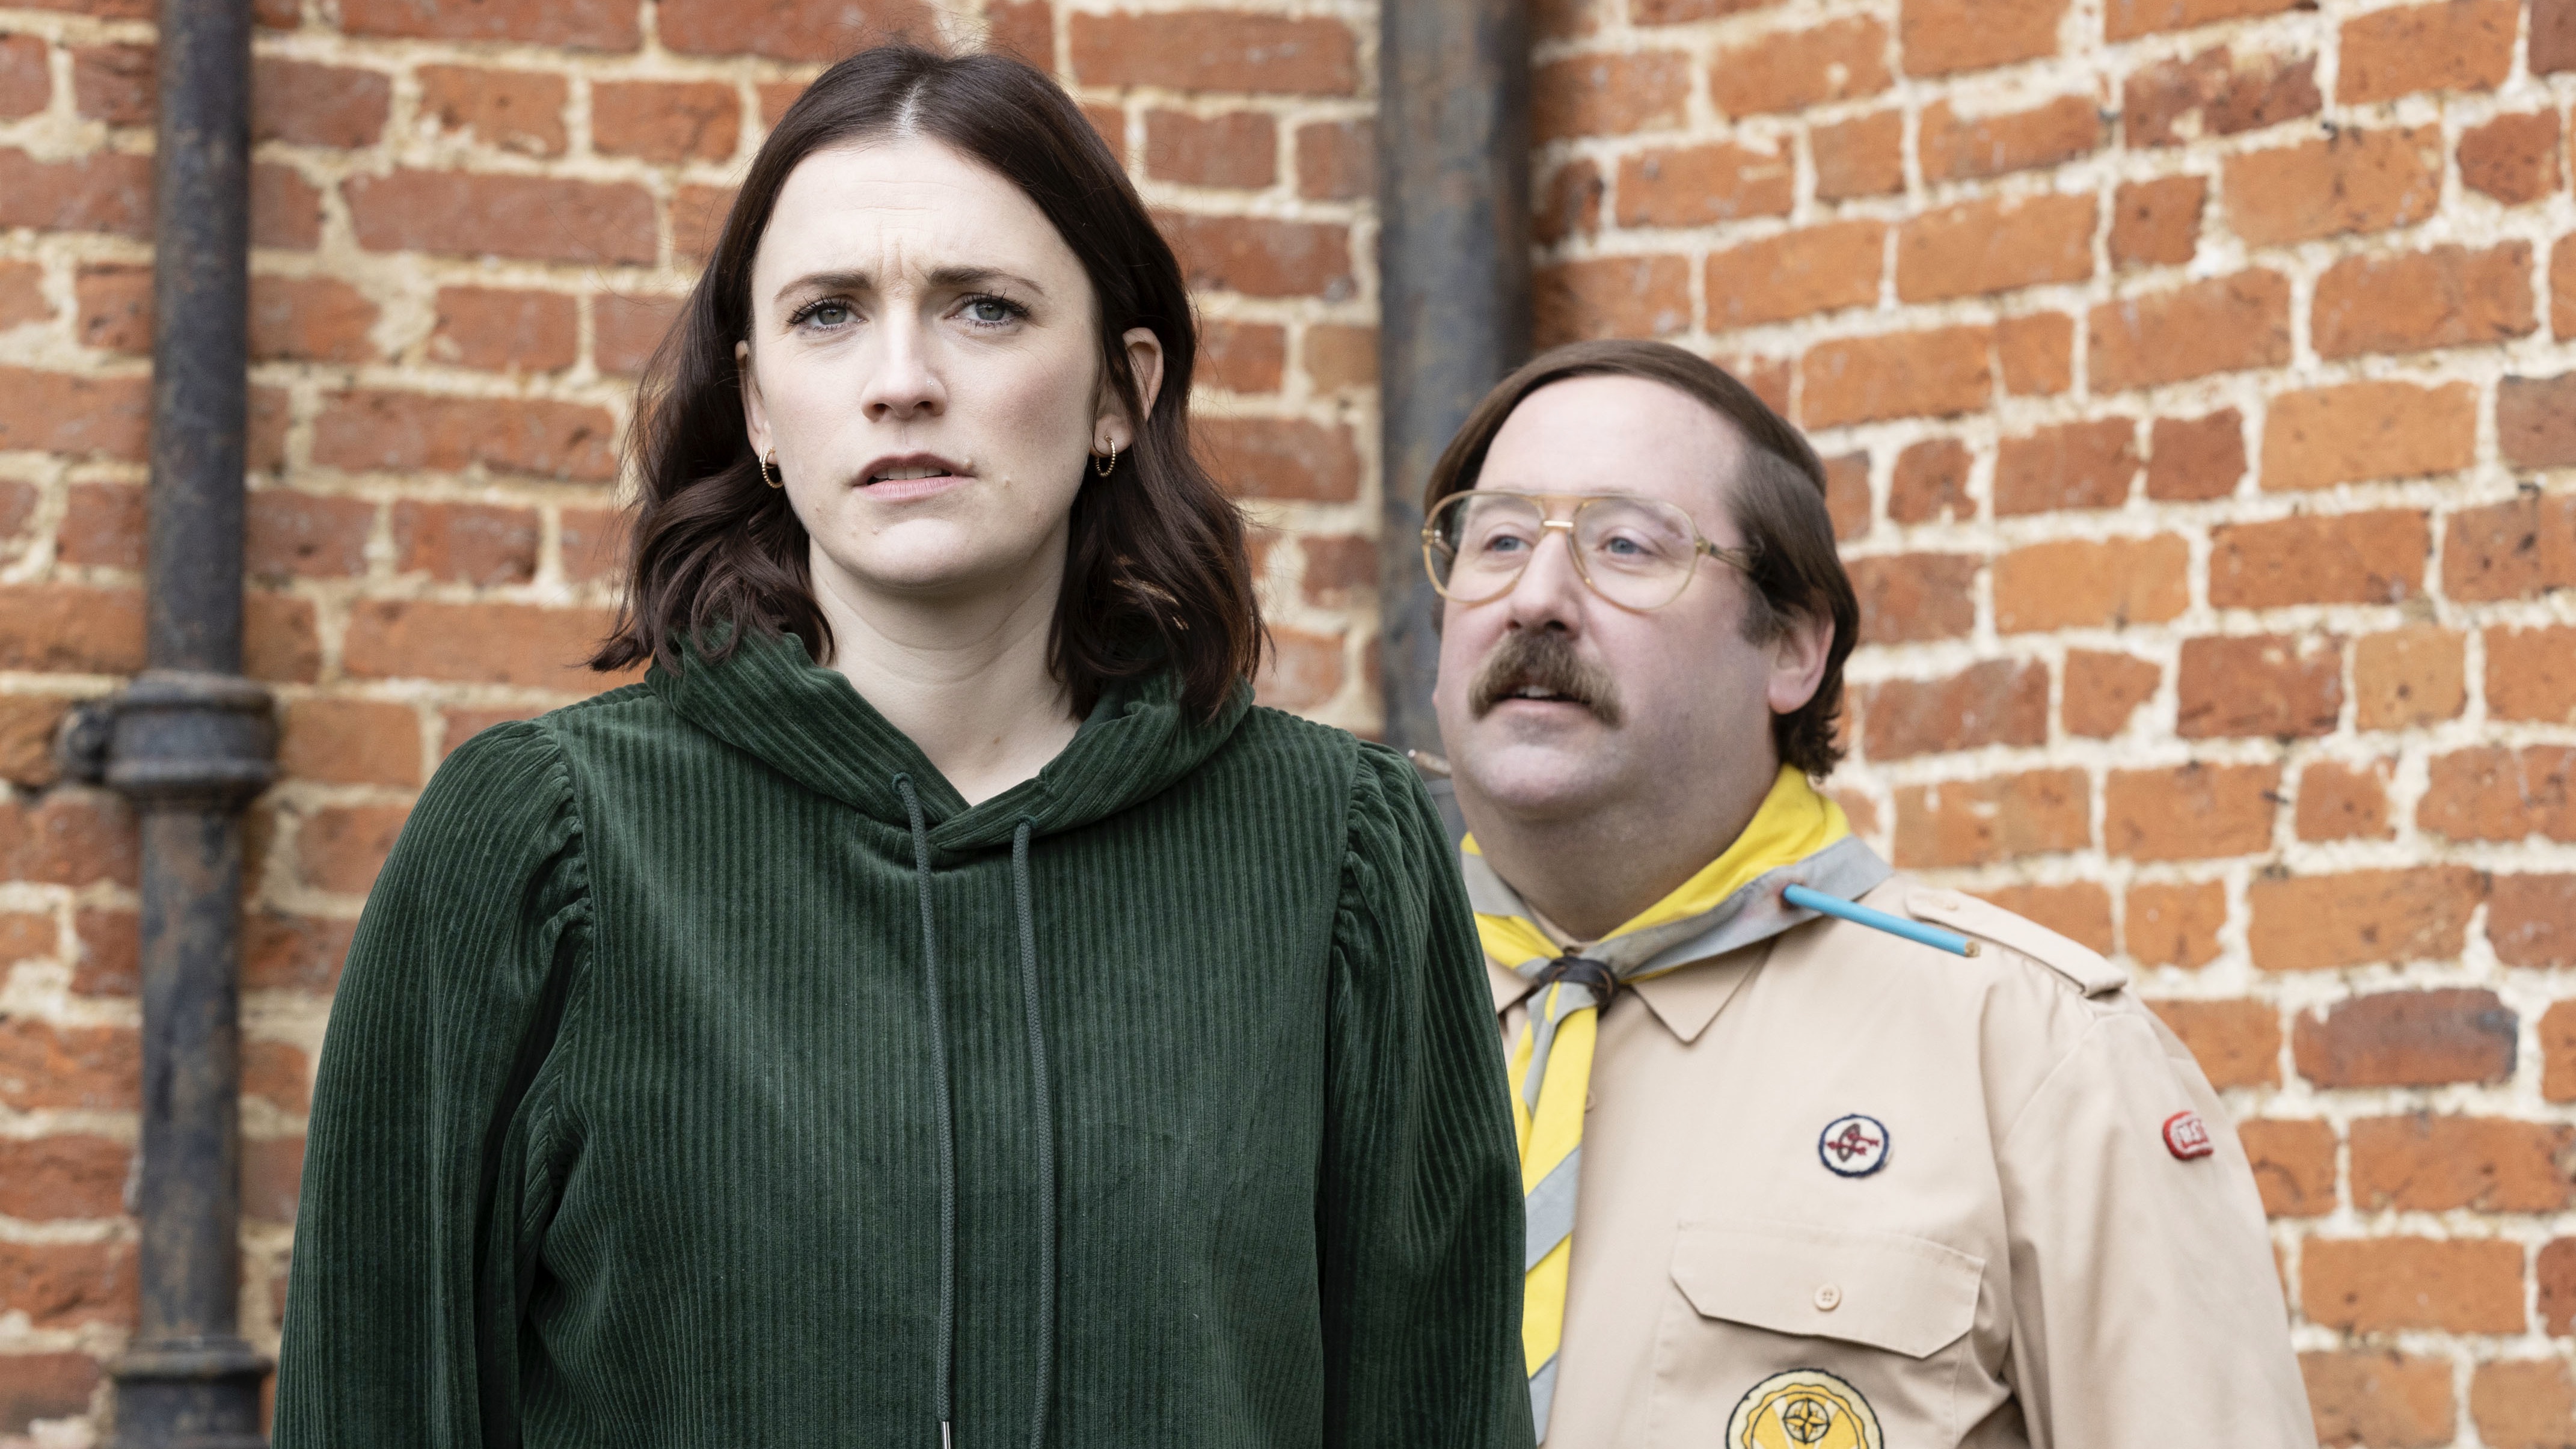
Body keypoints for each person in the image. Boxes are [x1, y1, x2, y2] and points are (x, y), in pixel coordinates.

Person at [275, 46, 1532, 1448]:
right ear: (757, 406)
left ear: (1121, 389)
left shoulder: (1340, 853)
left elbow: (1439, 1410)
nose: (901, 380)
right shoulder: (544, 839)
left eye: (985, 309)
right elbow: (375, 1400)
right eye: (828, 315)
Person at [1419, 339, 2314, 1448]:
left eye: (1626, 545)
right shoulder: (1321, 1028)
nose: (1537, 596)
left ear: (1791, 647)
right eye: (1498, 540)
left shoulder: (2034, 1060)